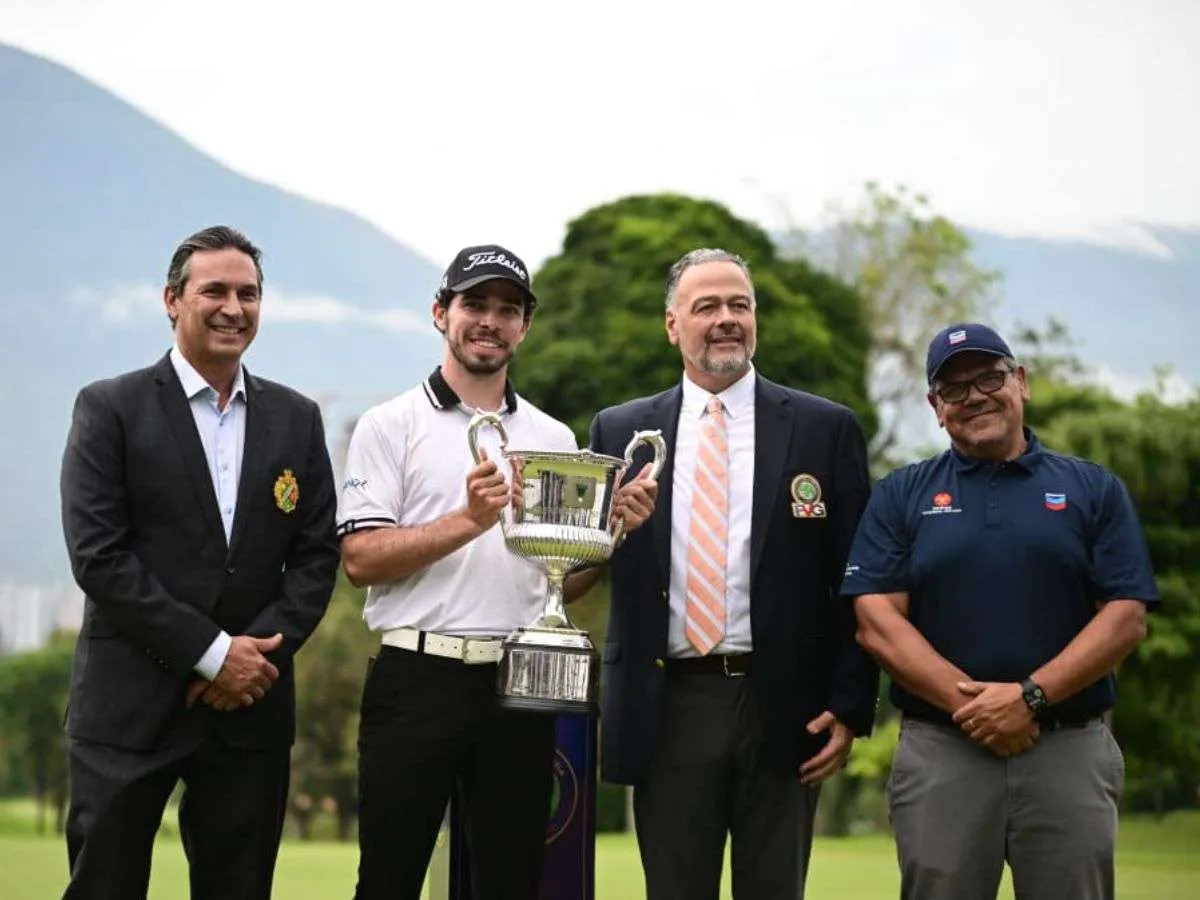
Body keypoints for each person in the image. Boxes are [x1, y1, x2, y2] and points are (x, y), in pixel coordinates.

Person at [337, 243, 656, 900]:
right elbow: (360, 559)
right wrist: (467, 520)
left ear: (525, 326)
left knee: (511, 882)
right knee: (389, 881)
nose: (489, 320)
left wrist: (609, 535)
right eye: (474, 304)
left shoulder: (554, 437)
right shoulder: (389, 424)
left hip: (518, 683)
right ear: (440, 313)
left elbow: (560, 586)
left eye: (507, 309)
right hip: (414, 677)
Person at [587, 247, 879, 900]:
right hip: (667, 705)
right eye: (707, 306)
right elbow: (585, 562)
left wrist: (851, 704)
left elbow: (858, 580)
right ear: (672, 325)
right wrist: (613, 527)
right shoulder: (621, 429)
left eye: (739, 305)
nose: (726, 319)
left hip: (784, 705)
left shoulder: (822, 428)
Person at [59, 225, 340, 899]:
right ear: (172, 299)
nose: (233, 308)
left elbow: (315, 556)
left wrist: (254, 662)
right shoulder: (110, 408)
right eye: (214, 290)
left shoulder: (296, 419)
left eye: (248, 294)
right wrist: (213, 654)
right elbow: (99, 556)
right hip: (129, 707)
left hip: (251, 710)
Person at [842, 322, 1157, 900]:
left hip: (1067, 747)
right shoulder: (900, 494)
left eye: (989, 378)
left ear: (1021, 383)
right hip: (944, 751)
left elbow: (1126, 615)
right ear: (936, 408)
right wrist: (979, 709)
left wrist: (1028, 697)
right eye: (954, 390)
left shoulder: (1093, 488)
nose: (975, 397)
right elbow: (877, 622)